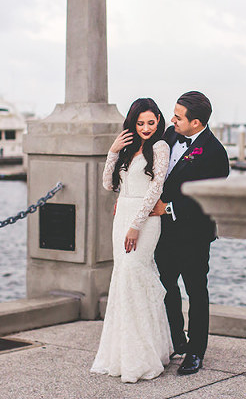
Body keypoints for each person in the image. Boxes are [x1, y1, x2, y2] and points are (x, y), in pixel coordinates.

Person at [90, 98, 173, 383]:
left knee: (135, 274)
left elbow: (155, 188)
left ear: (159, 121)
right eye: (140, 123)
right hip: (121, 214)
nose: (146, 128)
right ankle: (125, 352)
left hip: (145, 220)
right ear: (132, 123)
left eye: (151, 122)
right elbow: (109, 185)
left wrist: (136, 225)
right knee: (123, 280)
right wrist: (113, 152)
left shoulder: (161, 147)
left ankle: (145, 354)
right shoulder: (127, 148)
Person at [150, 91, 230, 375]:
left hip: (194, 235)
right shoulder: (170, 135)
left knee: (196, 292)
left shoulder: (215, 153)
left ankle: (196, 351)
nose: (172, 120)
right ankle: (176, 339)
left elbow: (210, 198)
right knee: (165, 285)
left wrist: (169, 207)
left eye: (178, 116)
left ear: (196, 123)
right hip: (164, 233)